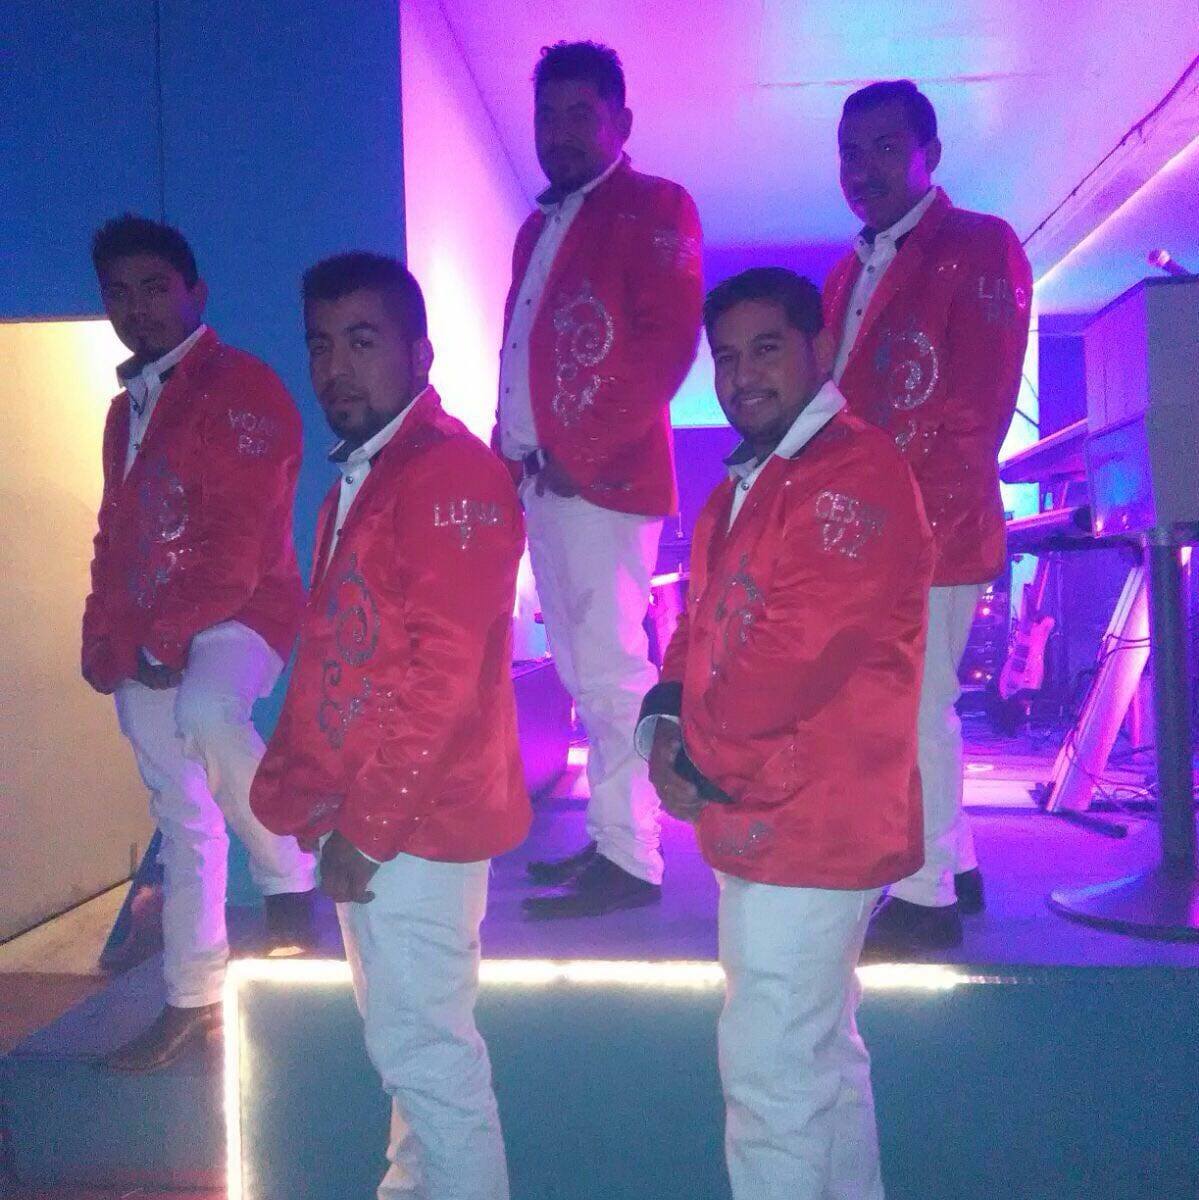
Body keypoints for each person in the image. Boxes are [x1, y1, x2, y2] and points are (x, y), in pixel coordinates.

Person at [639, 268, 932, 1199]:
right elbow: (695, 626)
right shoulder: (747, 486)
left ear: (821, 349)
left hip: (813, 821)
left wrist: (693, 756)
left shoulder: (854, 475)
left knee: (772, 1082)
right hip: (766, 810)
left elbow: (795, 655)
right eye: (725, 357)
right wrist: (662, 723)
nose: (741, 376)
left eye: (766, 349)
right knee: (819, 1064)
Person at [251, 253, 529, 1200]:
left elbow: (439, 678)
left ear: (419, 353)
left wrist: (366, 830)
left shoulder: (448, 473)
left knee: (429, 1064)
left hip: (414, 823)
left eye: (362, 342)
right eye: (321, 346)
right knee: (412, 1061)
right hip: (385, 816)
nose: (336, 368)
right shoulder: (371, 476)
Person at [83, 214, 316, 1073]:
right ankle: (192, 996)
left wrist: (163, 638)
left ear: (195, 293)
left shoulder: (244, 387)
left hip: (241, 611)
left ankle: (289, 874)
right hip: (145, 627)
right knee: (181, 815)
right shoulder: (123, 411)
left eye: (155, 288)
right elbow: (113, 532)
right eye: (119, 293)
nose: (136, 308)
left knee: (211, 710)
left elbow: (239, 543)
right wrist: (101, 632)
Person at [495, 40, 704, 918]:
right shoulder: (537, 227)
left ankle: (632, 856)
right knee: (585, 674)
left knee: (612, 671)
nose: (560, 132)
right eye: (547, 115)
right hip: (544, 483)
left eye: (581, 114)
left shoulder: (656, 206)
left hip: (602, 479)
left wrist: (575, 454)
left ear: (621, 121)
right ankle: (612, 837)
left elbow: (667, 345)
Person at [825, 80, 1032, 953]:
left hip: (927, 529)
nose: (862, 168)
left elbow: (977, 412)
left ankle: (923, 897)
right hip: (872, 529)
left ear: (928, 156)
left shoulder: (977, 244)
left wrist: (903, 529)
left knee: (911, 709)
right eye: (850, 151)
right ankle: (958, 865)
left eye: (883, 147)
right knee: (911, 703)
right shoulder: (848, 269)